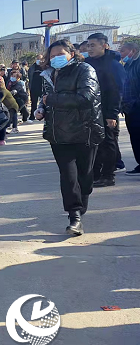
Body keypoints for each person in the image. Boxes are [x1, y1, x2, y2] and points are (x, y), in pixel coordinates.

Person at [35, 39, 104, 236]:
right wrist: (41, 109)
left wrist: (52, 100)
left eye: (60, 54)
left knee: (85, 176)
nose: (55, 58)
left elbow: (86, 98)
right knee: (68, 176)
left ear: (71, 54)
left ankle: (82, 204)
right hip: (59, 134)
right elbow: (45, 99)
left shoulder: (84, 70)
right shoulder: (48, 74)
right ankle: (74, 216)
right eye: (52, 55)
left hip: (85, 131)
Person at [85, 32, 126, 188]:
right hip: (90, 111)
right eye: (88, 45)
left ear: (104, 45)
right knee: (93, 143)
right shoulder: (88, 63)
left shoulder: (113, 65)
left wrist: (112, 114)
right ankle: (95, 174)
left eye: (93, 45)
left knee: (108, 144)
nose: (90, 48)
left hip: (106, 110)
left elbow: (117, 91)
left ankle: (108, 175)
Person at [121, 40, 140, 176]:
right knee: (135, 137)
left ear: (132, 51)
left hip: (136, 108)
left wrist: (135, 104)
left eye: (123, 51)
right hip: (129, 109)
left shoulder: (138, 64)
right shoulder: (128, 65)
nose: (121, 54)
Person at [28, 54, 45, 121]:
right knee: (33, 103)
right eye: (38, 59)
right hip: (34, 88)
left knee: (43, 103)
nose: (39, 60)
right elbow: (29, 76)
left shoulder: (44, 67)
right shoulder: (32, 67)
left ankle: (42, 115)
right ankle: (32, 116)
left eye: (40, 59)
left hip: (42, 88)